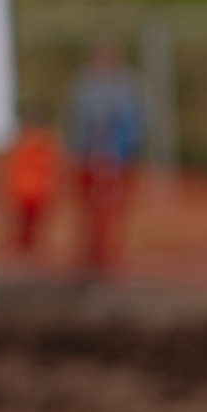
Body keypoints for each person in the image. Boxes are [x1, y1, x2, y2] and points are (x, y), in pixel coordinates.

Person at [63, 41, 145, 274]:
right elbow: (76, 121)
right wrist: (82, 152)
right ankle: (88, 256)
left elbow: (136, 121)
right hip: (88, 156)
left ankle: (112, 257)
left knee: (115, 209)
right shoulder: (83, 84)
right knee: (87, 210)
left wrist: (126, 151)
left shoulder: (129, 84)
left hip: (118, 156)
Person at [4, 105, 59, 256]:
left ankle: (33, 253)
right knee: (23, 227)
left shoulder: (43, 141)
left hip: (34, 191)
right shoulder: (23, 141)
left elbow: (50, 168)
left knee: (35, 227)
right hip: (24, 191)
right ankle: (26, 253)